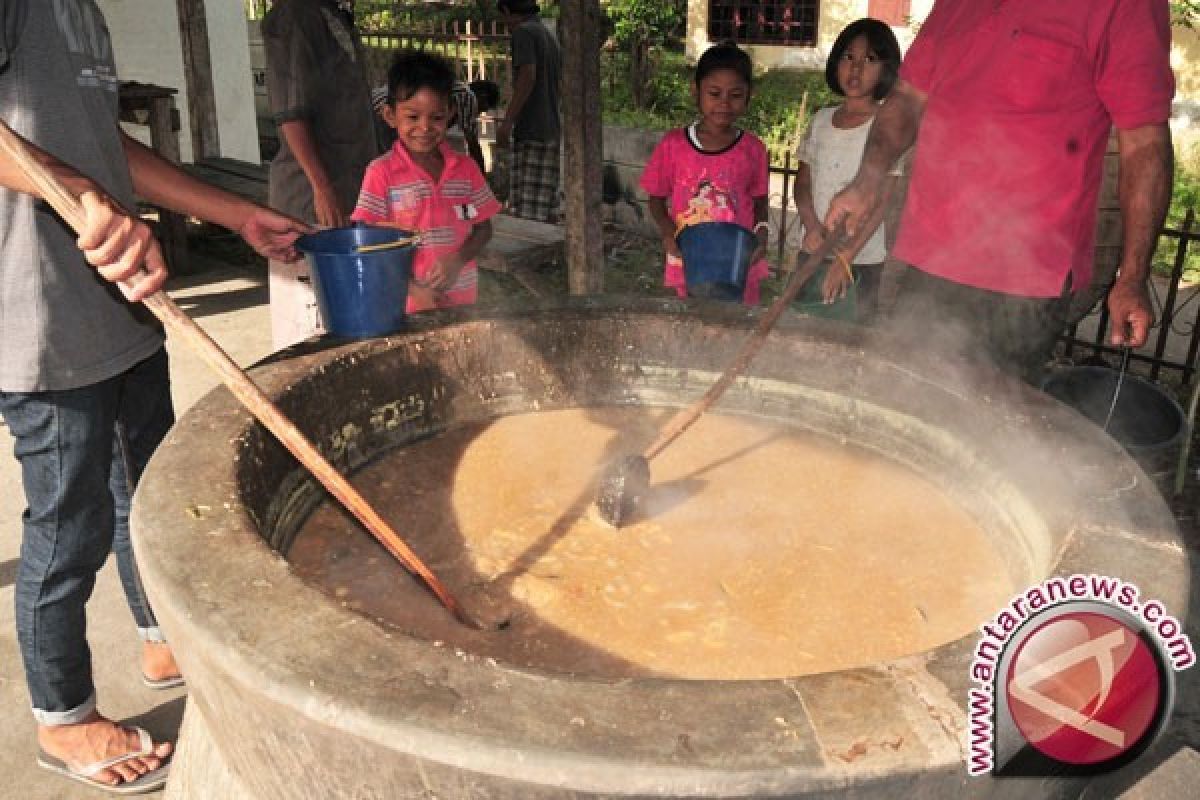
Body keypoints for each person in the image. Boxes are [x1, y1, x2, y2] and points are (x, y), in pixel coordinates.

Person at [0, 1, 307, 793]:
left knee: (146, 496)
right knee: (69, 530)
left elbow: (108, 146)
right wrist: (74, 192)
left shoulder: (83, 12)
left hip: (123, 303)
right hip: (42, 320)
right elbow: (56, 163)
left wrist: (233, 212)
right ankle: (63, 719)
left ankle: (160, 635)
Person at [825, 0, 1174, 382]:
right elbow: (908, 97)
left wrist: (1133, 276)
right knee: (907, 394)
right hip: (931, 253)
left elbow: (1144, 142)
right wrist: (867, 179)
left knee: (986, 419)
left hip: (1026, 277)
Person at [263, 0, 382, 349]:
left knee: (343, 319)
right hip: (309, 201)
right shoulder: (293, 16)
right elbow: (291, 116)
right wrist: (322, 186)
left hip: (348, 193)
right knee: (308, 324)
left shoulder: (336, 15)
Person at [352, 51, 501, 313]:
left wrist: (457, 260)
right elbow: (367, 244)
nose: (425, 128)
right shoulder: (381, 173)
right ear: (390, 115)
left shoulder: (466, 169)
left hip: (463, 303)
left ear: (450, 114)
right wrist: (412, 290)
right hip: (404, 305)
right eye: (413, 117)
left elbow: (483, 230)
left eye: (437, 117)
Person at [639, 42, 771, 306]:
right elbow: (656, 199)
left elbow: (760, 201)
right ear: (695, 92)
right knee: (693, 326)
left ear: (748, 97)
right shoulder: (673, 145)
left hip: (737, 262)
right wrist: (668, 233)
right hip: (689, 258)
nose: (724, 103)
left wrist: (762, 233)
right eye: (714, 93)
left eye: (734, 95)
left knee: (737, 328)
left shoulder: (753, 149)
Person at [793, 18, 902, 322]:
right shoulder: (820, 121)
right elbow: (802, 184)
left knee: (850, 341)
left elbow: (883, 201)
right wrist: (812, 225)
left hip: (860, 260)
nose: (856, 69)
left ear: (887, 68)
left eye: (869, 60)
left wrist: (846, 257)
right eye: (848, 57)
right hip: (813, 252)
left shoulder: (888, 128)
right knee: (801, 333)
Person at [495, 0, 562, 223]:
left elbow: (527, 76)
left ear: (507, 11)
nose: (504, 24)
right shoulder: (546, 33)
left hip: (532, 128)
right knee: (544, 204)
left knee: (527, 209)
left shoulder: (523, 33)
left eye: (502, 18)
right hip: (550, 126)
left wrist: (507, 122)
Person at [372, 78, 500, 177]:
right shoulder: (467, 97)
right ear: (482, 97)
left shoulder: (453, 91)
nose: (479, 113)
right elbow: (473, 146)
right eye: (483, 109)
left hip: (375, 105)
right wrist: (481, 181)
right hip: (386, 111)